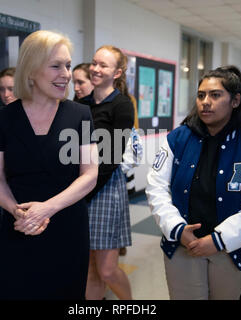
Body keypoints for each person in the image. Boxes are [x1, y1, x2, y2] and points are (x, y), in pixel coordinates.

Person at [146, 65, 241, 300]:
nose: (205, 102)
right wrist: (177, 229)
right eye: (201, 95)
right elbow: (156, 186)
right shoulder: (178, 138)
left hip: (232, 249)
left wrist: (219, 239)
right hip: (182, 244)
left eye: (215, 95)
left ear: (235, 100)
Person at [0, 30, 98, 300]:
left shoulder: (79, 115)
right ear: (32, 70)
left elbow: (90, 174)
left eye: (68, 66)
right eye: (56, 66)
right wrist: (18, 211)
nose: (67, 74)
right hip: (20, 226)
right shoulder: (1, 119)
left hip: (67, 229)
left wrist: (46, 209)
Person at [80, 45, 135, 300]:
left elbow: (112, 158)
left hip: (104, 189)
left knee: (107, 269)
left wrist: (85, 190)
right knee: (90, 266)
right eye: (94, 63)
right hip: (80, 188)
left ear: (117, 73)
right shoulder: (80, 104)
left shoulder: (122, 105)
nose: (95, 69)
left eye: (103, 65)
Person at [0, 68, 18, 232]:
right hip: (3, 188)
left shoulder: (36, 117)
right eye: (2, 89)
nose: (6, 94)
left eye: (11, 89)